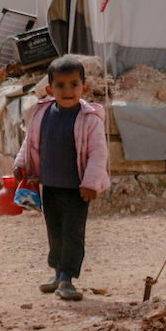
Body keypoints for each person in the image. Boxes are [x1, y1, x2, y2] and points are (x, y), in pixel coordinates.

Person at [12, 56, 110, 302]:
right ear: (50, 89)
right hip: (51, 186)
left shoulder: (90, 119)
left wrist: (91, 184)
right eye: (61, 86)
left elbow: (98, 154)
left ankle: (67, 279)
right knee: (54, 231)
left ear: (84, 88)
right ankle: (57, 274)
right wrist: (21, 163)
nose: (68, 91)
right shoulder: (43, 113)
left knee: (72, 233)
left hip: (77, 190)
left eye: (74, 85)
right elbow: (31, 141)